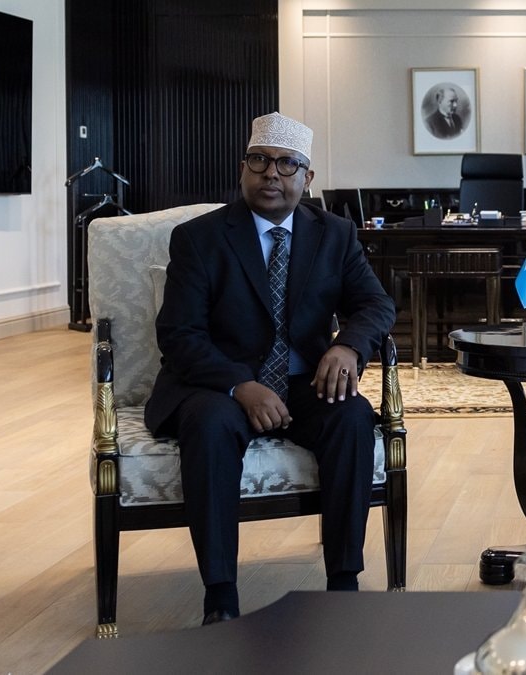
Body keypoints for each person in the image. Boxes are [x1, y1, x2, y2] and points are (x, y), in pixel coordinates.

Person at [145, 112, 396, 626]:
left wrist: (348, 347)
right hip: (218, 383)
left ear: (307, 176)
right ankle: (220, 597)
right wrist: (240, 384)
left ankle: (343, 583)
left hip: (304, 382)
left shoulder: (335, 234)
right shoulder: (199, 238)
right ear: (243, 168)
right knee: (210, 424)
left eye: (286, 164)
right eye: (259, 161)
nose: (271, 175)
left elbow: (375, 304)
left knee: (352, 417)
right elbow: (179, 334)